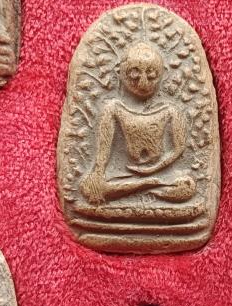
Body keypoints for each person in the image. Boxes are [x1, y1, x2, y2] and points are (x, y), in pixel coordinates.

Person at [79, 41, 195, 205]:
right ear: (120, 73)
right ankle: (148, 187)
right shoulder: (114, 109)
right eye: (134, 74)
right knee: (88, 188)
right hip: (124, 175)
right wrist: (98, 173)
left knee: (187, 185)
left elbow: (179, 148)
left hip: (161, 174)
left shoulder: (171, 111)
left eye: (151, 75)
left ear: (164, 73)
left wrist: (153, 169)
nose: (143, 83)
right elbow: (103, 151)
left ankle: (147, 186)